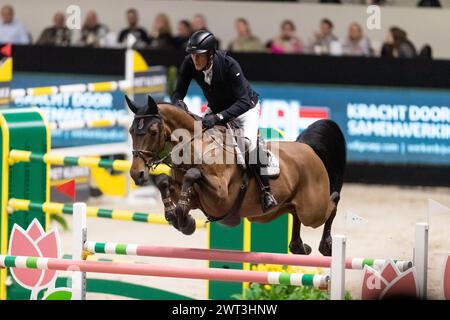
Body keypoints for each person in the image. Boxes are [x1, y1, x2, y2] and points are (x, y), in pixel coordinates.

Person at [170, 30, 278, 212]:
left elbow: (243, 101)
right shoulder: (189, 63)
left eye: (199, 56)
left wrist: (218, 117)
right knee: (197, 142)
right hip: (217, 108)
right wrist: (178, 103)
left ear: (210, 54)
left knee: (248, 144)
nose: (195, 59)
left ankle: (266, 192)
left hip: (245, 109)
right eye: (193, 55)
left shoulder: (229, 65)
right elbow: (177, 92)